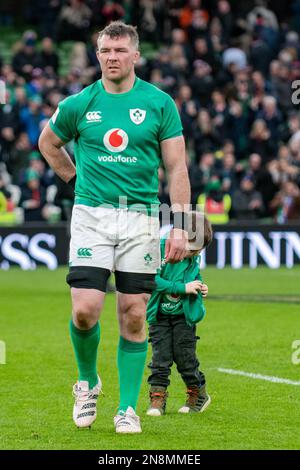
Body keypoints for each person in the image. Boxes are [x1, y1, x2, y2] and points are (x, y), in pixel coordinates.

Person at [38, 21, 190, 434]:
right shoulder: (79, 103)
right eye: (105, 51)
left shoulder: (159, 103)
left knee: (135, 314)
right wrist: (74, 181)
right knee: (85, 311)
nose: (112, 57)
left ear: (135, 55)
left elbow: (176, 166)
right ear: (98, 54)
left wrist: (181, 225)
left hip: (140, 217)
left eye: (120, 51)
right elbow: (47, 143)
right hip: (92, 216)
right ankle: (87, 382)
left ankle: (127, 408)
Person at [146, 212, 212, 416]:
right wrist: (182, 288)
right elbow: (151, 280)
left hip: (184, 316)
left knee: (185, 357)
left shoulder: (192, 257)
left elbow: (194, 276)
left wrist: (200, 286)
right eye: (193, 249)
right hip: (159, 315)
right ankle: (157, 399)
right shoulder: (160, 249)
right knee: (160, 358)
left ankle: (197, 394)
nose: (194, 254)